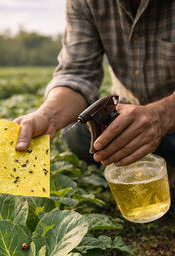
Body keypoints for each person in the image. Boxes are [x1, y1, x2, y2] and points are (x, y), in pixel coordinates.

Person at [14, 0, 175, 179]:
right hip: (129, 120)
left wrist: (160, 116)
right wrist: (48, 116)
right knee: (77, 135)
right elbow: (78, 72)